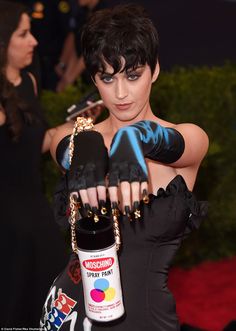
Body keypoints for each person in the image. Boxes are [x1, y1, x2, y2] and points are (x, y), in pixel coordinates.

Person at [40, 4, 209, 330]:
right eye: (107, 77)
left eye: (133, 75)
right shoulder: (80, 139)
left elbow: (184, 142)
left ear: (154, 70)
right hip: (72, 311)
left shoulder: (188, 138)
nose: (120, 93)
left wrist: (136, 137)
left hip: (145, 319)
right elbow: (58, 143)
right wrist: (87, 147)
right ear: (94, 80)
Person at [0, 1, 70, 326]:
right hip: (9, 229)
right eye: (24, 34)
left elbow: (28, 146)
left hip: (37, 216)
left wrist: (68, 128)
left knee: (52, 307)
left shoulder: (29, 80)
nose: (35, 41)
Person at [55, 0, 108, 92]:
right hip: (85, 78)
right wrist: (66, 73)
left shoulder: (106, 11)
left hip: (101, 78)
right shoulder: (82, 12)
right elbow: (76, 42)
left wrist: (69, 78)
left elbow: (95, 48)